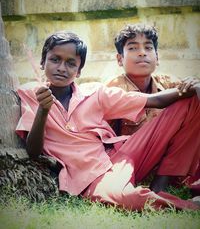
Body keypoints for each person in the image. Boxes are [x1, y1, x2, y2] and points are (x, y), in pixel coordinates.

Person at [16, 30, 200, 211]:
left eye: (71, 63)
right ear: (42, 62)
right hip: (91, 177)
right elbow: (33, 151)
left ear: (79, 71)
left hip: (122, 155)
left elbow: (155, 100)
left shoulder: (95, 92)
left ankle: (160, 185)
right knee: (128, 199)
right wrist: (43, 110)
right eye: (55, 59)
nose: (62, 68)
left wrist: (193, 87)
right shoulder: (30, 94)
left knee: (192, 102)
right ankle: (189, 207)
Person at [107, 23, 200, 195]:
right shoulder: (114, 89)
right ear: (119, 59)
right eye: (133, 48)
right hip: (132, 159)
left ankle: (168, 179)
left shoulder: (169, 82)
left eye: (148, 48)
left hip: (168, 159)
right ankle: (159, 187)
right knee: (186, 97)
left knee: (193, 96)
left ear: (157, 57)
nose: (142, 52)